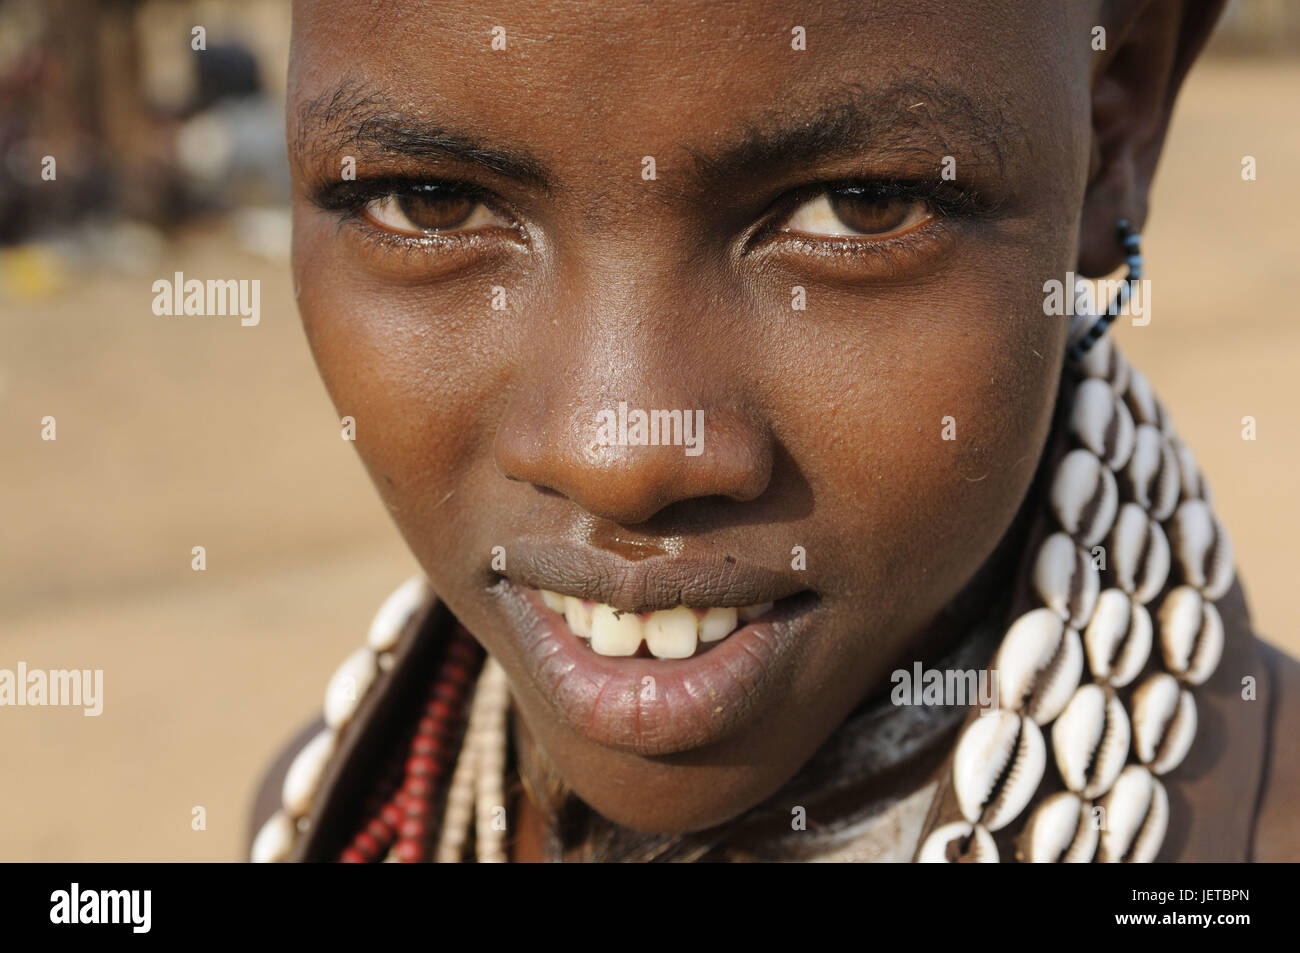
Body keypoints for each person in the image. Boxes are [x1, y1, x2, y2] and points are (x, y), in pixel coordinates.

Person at [247, 0, 1300, 862]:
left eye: (860, 206)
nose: (622, 455)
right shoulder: (336, 813)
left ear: (1113, 118)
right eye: (427, 202)